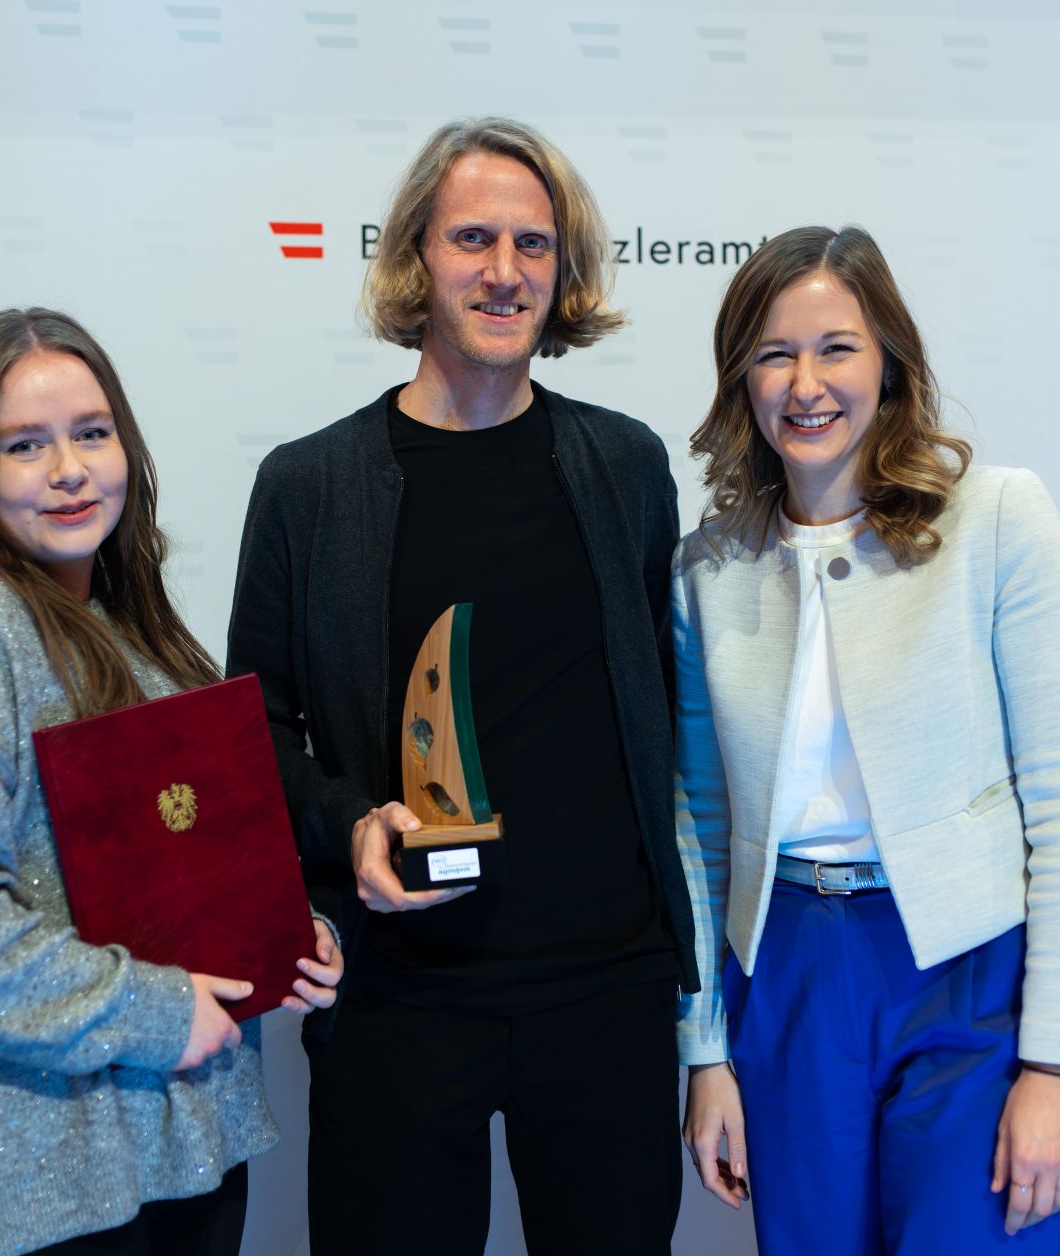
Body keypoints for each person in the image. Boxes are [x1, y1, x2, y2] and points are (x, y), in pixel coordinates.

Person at [225, 117, 696, 1255]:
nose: (503, 271)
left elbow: (660, 714)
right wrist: (349, 825)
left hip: (604, 992)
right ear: (414, 261)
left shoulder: (626, 466)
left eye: (532, 245)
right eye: (472, 238)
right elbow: (254, 736)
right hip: (399, 996)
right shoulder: (307, 487)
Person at [0, 308, 343, 1256]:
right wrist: (151, 1012)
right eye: (25, 445)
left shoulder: (136, 629)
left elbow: (187, 866)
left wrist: (288, 935)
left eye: (92, 433)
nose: (69, 468)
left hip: (175, 1163)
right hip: (34, 1191)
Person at [673, 226, 1060, 1253]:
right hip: (783, 978)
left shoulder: (998, 519)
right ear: (740, 375)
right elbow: (694, 822)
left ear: (890, 363)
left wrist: (1054, 1065)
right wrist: (702, 1051)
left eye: (836, 346)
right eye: (772, 352)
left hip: (970, 973)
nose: (804, 382)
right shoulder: (706, 567)